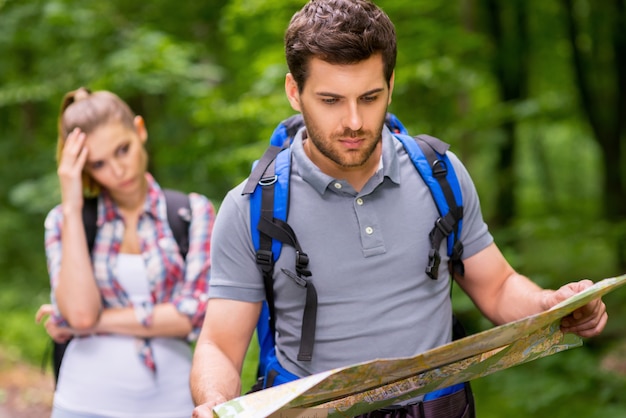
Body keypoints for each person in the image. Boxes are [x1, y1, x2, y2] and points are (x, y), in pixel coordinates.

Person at [189, 1, 608, 417]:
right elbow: (220, 346)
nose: (353, 121)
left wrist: (549, 305)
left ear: (390, 84)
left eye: (369, 97)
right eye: (331, 100)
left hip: (439, 408)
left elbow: (497, 287)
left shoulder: (441, 175)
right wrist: (216, 402)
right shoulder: (251, 207)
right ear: (294, 93)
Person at [35, 87, 215, 418]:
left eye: (123, 149)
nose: (117, 170)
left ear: (140, 130)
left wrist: (82, 324)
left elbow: (193, 314)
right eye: (99, 163)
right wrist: (72, 206)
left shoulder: (192, 212)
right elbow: (82, 314)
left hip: (172, 405)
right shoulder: (65, 221)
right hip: (82, 403)